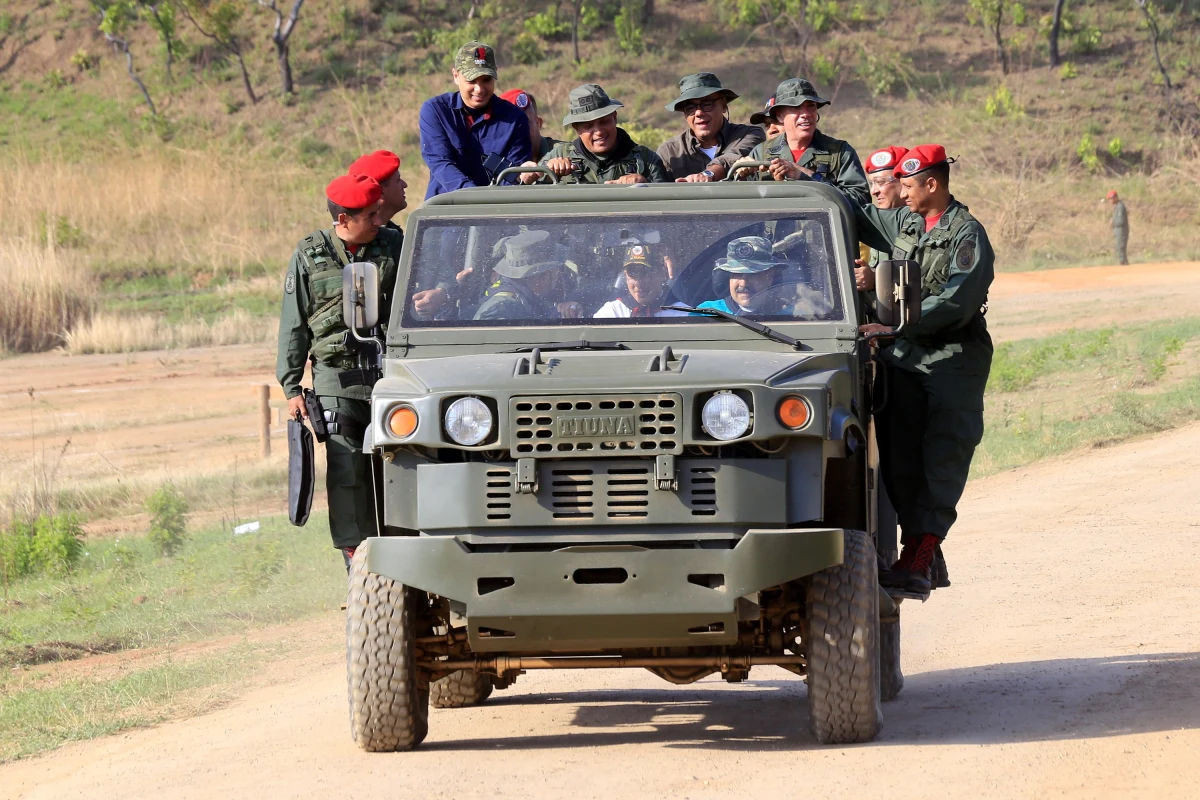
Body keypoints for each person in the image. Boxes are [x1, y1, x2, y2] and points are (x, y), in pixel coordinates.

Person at [851, 145, 994, 594]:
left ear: (932, 184)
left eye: (908, 185)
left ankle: (922, 553)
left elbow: (957, 299)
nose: (900, 193)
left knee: (942, 455)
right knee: (899, 455)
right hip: (904, 357)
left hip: (952, 358)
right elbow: (858, 216)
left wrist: (897, 322)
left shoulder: (966, 234)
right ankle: (920, 553)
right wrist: (799, 174)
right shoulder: (907, 222)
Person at [277, 174, 404, 568]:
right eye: (369, 216)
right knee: (347, 468)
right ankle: (358, 559)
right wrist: (291, 386)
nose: (378, 220)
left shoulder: (394, 245)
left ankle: (404, 550)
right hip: (336, 378)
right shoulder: (308, 255)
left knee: (399, 464)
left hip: (391, 375)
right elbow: (293, 324)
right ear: (344, 220)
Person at [418, 42, 531, 198]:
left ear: (496, 74)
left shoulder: (515, 120)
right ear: (456, 76)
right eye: (471, 81)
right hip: (445, 211)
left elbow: (511, 176)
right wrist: (474, 197)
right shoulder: (436, 111)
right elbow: (441, 164)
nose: (479, 89)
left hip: (496, 210)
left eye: (486, 80)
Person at [737, 78, 869, 206]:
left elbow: (861, 203)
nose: (805, 114)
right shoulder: (761, 153)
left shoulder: (840, 152)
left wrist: (806, 175)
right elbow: (739, 204)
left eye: (811, 106)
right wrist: (740, 176)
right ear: (779, 115)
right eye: (796, 107)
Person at [523, 84, 669, 185]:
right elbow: (527, 196)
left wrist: (644, 185)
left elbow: (667, 210)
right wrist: (547, 174)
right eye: (588, 126)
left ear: (615, 117)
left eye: (604, 121)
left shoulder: (646, 160)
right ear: (576, 128)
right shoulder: (558, 155)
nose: (599, 131)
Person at [656, 73, 764, 182]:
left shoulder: (749, 135)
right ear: (685, 114)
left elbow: (733, 156)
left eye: (707, 104)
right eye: (690, 108)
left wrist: (709, 174)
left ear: (723, 106)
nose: (698, 113)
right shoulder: (669, 153)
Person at [474, 230, 582, 321]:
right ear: (544, 277)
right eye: (556, 272)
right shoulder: (500, 311)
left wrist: (566, 310)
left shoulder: (524, 298)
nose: (559, 277)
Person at [854, 145, 908, 293]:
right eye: (872, 183)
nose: (874, 191)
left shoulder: (919, 221)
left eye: (881, 182)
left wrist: (876, 279)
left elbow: (923, 279)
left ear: (904, 181)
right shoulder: (877, 221)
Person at [594, 244, 686, 317]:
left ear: (662, 274)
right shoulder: (612, 313)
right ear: (626, 277)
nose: (639, 283)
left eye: (646, 273)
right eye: (632, 274)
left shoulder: (683, 314)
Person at [696, 237, 781, 315]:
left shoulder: (787, 315)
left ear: (769, 276)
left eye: (752, 274)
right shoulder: (706, 313)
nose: (743, 283)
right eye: (736, 274)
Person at [347, 150, 408, 234]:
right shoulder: (367, 239)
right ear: (380, 192)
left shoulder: (390, 234)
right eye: (398, 180)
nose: (405, 185)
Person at [500, 88, 558, 162]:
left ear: (538, 123)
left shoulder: (564, 154)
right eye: (510, 129)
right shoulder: (499, 164)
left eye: (523, 125)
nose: (518, 134)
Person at [1107, 189, 1129, 265]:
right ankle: (1123, 262)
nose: (1111, 201)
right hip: (1118, 230)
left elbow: (1121, 221)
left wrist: (1113, 222)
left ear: (1116, 197)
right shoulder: (1117, 206)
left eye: (1112, 198)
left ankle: (1123, 263)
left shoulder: (1120, 207)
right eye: (1109, 199)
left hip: (1121, 230)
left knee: (1121, 247)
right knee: (1119, 247)